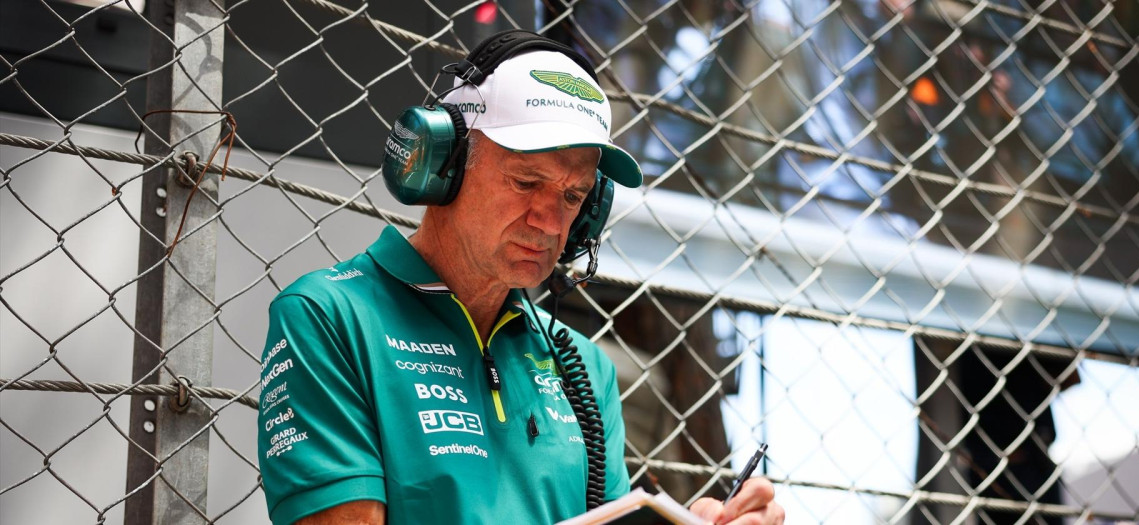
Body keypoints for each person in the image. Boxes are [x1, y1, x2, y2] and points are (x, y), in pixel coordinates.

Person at [256, 30, 784, 525]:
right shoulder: (328, 318)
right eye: (526, 182)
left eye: (574, 196)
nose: (550, 223)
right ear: (446, 162)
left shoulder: (587, 369)